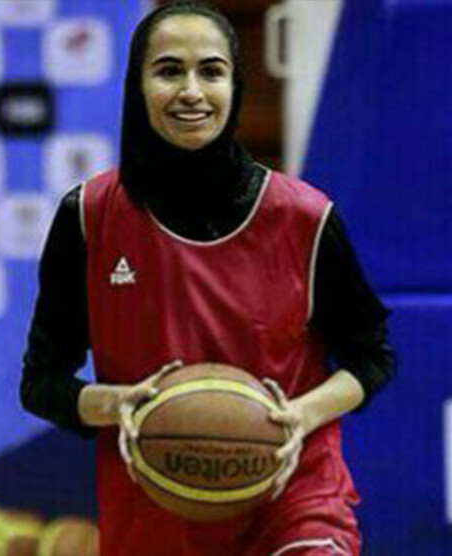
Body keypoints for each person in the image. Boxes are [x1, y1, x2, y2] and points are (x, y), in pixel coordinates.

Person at [20, 2, 395, 555]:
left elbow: (372, 357)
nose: (192, 91)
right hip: (155, 514)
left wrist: (298, 416)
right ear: (137, 86)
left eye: (211, 71)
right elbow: (41, 383)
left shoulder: (304, 217)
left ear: (235, 85)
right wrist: (118, 405)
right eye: (169, 70)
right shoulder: (89, 217)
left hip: (294, 500)